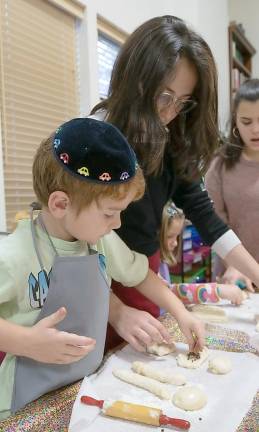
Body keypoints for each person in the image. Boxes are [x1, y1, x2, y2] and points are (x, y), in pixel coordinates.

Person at [0, 118, 204, 419]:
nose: (117, 224)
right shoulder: (13, 256)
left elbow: (141, 276)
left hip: (81, 391)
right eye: (110, 213)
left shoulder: (102, 241)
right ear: (60, 204)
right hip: (24, 406)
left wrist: (181, 312)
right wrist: (27, 343)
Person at [90, 15, 259, 351]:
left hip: (144, 275)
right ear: (136, 80)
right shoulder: (97, 139)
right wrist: (118, 311)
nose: (171, 112)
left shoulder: (170, 139)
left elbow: (207, 217)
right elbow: (72, 250)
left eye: (183, 102)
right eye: (165, 96)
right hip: (95, 283)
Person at [205, 78, 259, 290]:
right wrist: (234, 265)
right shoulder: (220, 166)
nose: (255, 129)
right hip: (235, 278)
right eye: (246, 122)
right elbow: (214, 224)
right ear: (235, 121)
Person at [159, 201, 243, 306]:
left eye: (177, 236)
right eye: (169, 236)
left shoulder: (161, 261)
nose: (175, 243)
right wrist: (216, 291)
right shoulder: (150, 263)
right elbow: (168, 292)